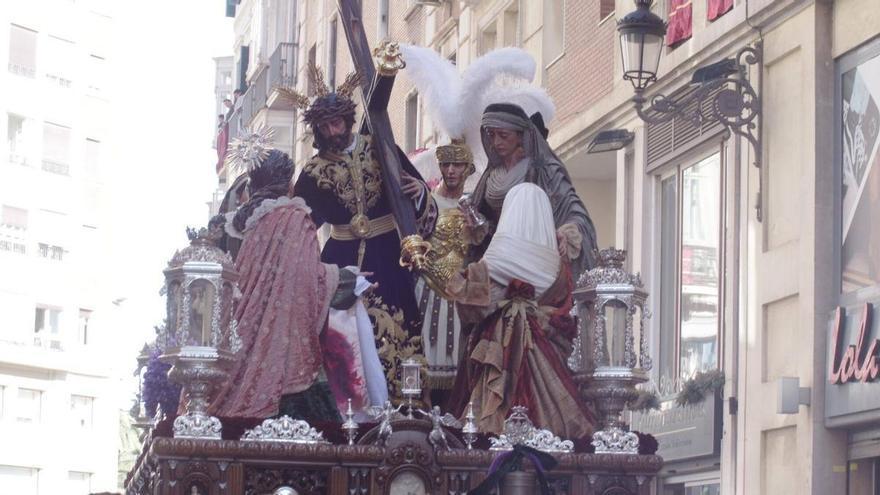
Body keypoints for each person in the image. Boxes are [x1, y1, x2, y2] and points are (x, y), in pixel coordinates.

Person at [289, 64, 433, 399]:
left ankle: (405, 405)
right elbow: (302, 226)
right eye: (324, 127)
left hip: (388, 253)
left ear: (348, 119)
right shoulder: (313, 171)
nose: (331, 131)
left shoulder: (380, 147)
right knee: (343, 332)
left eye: (336, 123)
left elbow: (418, 198)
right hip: (341, 260)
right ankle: (349, 405)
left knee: (399, 325)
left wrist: (421, 193)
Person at [209, 148, 385, 421]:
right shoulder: (294, 217)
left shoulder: (236, 223)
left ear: (253, 184)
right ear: (289, 184)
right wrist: (347, 278)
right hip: (284, 355)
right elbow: (306, 279)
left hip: (236, 336)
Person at [445, 183, 594, 439]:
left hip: (500, 347)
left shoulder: (501, 254)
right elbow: (564, 303)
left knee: (487, 423)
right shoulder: (555, 262)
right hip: (546, 346)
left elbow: (469, 297)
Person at [469, 103, 599, 276]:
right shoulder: (490, 176)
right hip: (497, 261)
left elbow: (574, 211)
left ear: (520, 135)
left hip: (534, 260)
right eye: (492, 135)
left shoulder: (544, 171)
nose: (496, 142)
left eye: (503, 135)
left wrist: (566, 233)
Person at [413, 139, 477, 401]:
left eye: (457, 164)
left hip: (461, 291)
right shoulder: (426, 203)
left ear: (468, 168)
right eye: (446, 164)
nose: (451, 170)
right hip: (427, 289)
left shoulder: (473, 205)